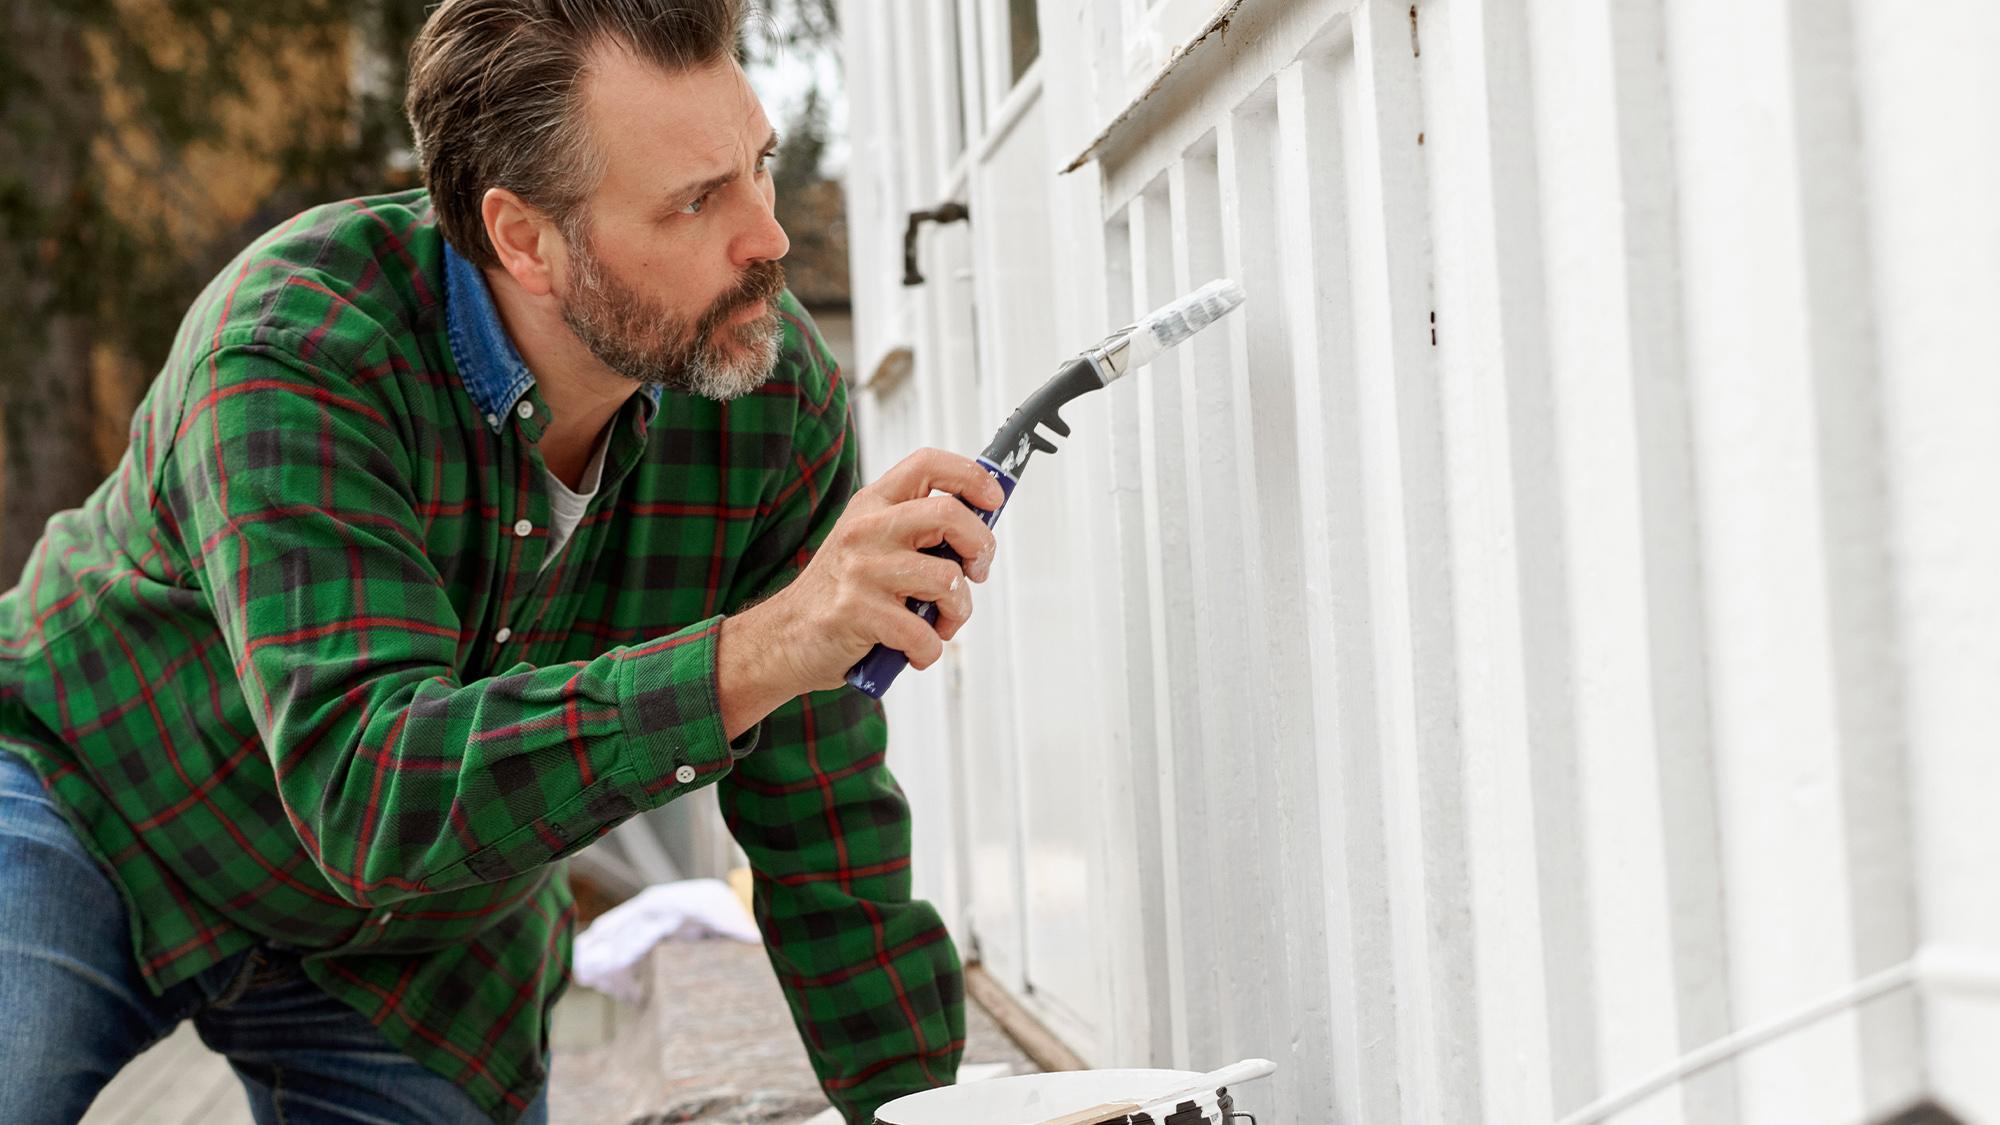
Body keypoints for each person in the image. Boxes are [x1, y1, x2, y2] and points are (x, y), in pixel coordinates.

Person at [0, 1, 1000, 1121]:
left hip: (421, 947)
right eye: (695, 200)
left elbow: (818, 803)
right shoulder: (296, 347)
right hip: (95, 802)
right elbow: (369, 790)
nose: (766, 238)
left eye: (757, 168)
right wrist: (756, 653)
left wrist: (922, 1107)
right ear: (523, 238)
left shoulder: (768, 396)